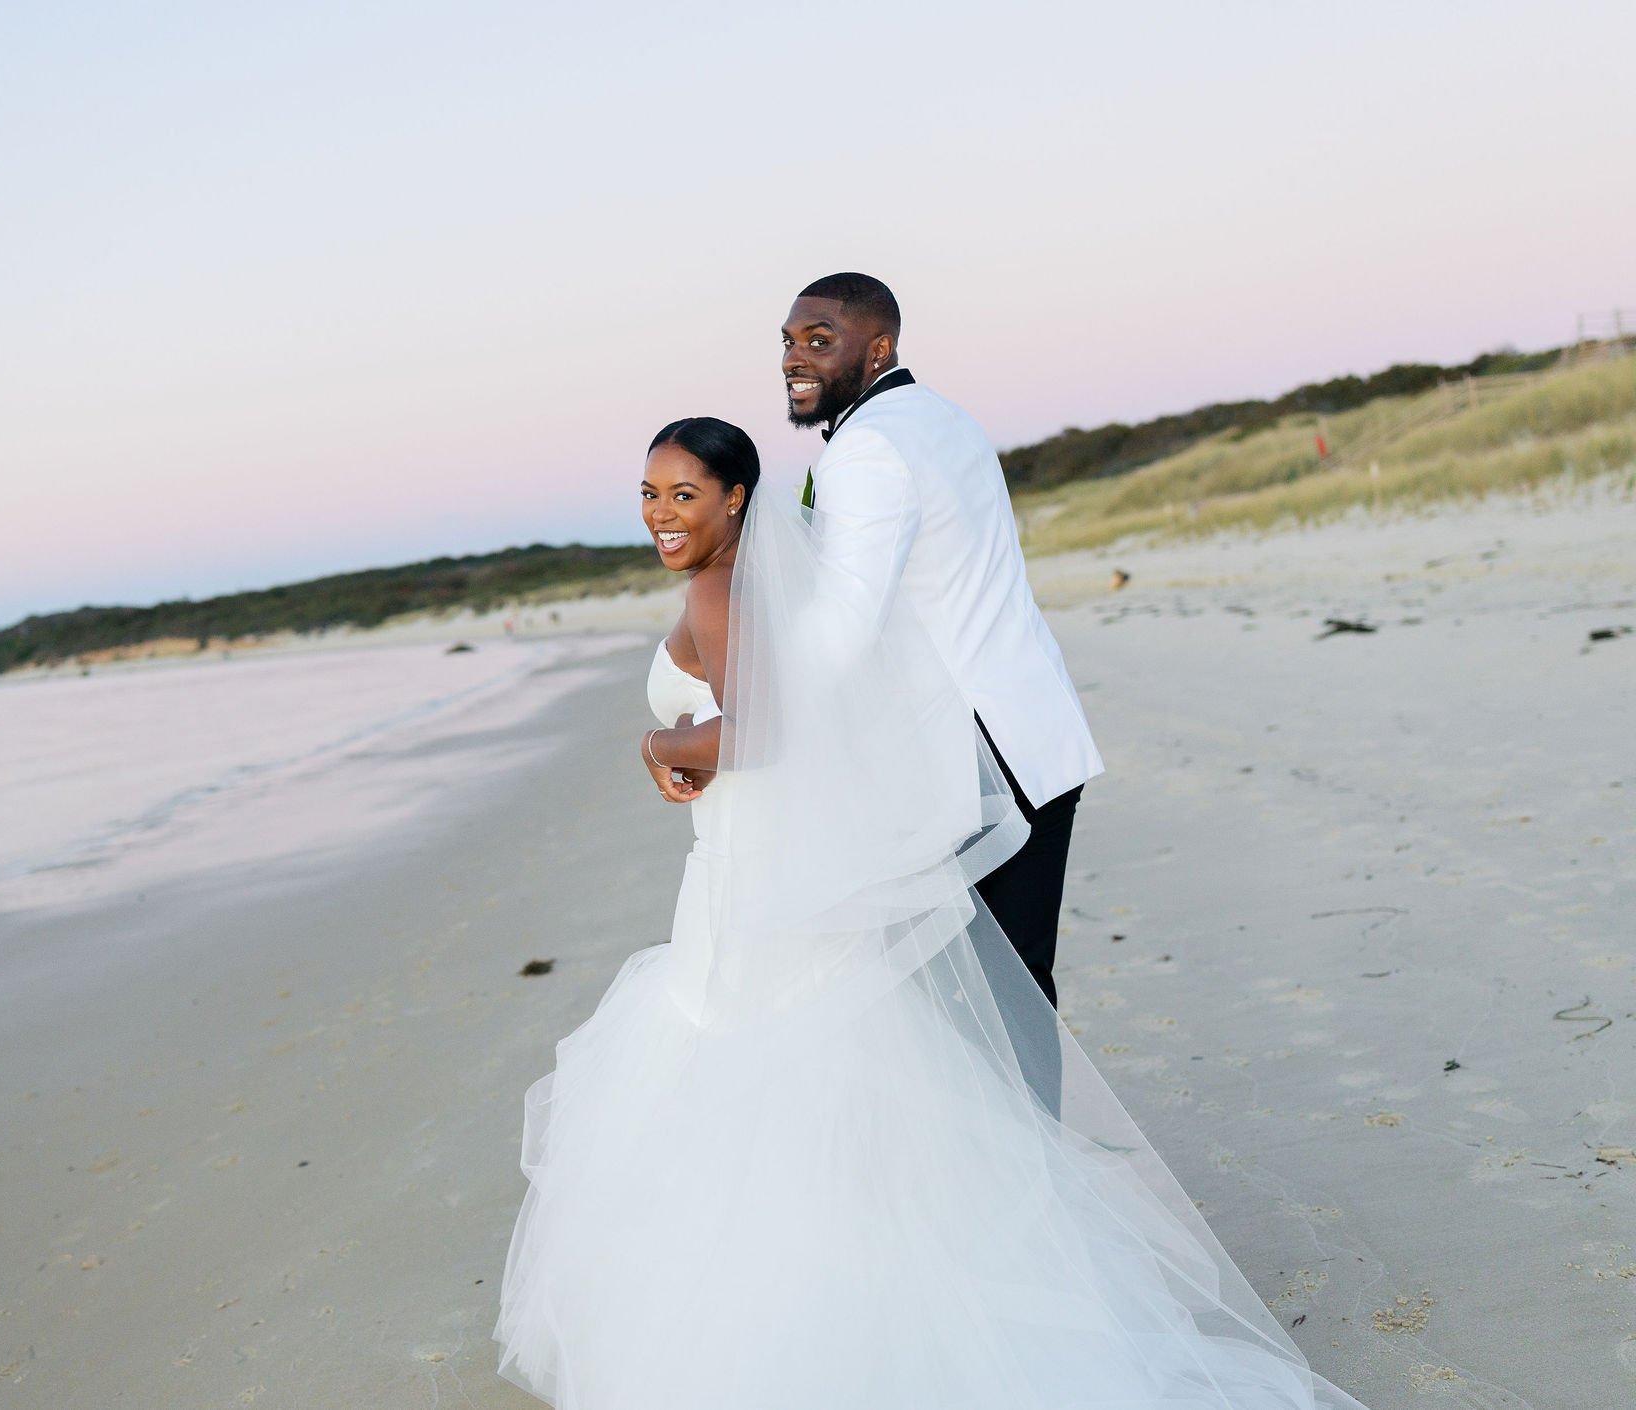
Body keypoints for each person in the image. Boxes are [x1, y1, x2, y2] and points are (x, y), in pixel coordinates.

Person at [493, 413, 1368, 1409]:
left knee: (749, 1108)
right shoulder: (773, 582)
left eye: (682, 494)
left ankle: (796, 1353)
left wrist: (664, 750)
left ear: (734, 500)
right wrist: (696, 746)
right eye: (648, 495)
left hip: (750, 893)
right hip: (768, 875)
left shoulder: (717, 585)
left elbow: (761, 729)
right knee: (824, 1116)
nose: (661, 513)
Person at [783, 271, 1102, 1012]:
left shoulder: (863, 453)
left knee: (967, 1008)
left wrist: (741, 701)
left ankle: (1017, 1133)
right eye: (790, 342)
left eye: (820, 341)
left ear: (879, 346)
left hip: (973, 767)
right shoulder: (947, 419)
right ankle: (1030, 1132)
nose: (796, 357)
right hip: (1036, 736)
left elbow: (839, 635)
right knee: (1018, 991)